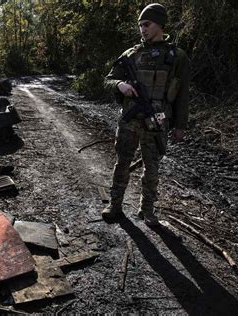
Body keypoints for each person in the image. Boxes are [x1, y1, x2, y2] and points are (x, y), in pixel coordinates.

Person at [102, 3, 190, 226]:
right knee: (122, 162)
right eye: (140, 25)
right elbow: (108, 79)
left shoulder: (176, 56)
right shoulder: (132, 54)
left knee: (152, 167)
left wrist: (180, 126)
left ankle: (147, 209)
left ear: (160, 24)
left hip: (157, 120)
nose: (142, 29)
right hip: (131, 119)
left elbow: (183, 94)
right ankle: (115, 204)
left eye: (147, 24)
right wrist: (120, 85)